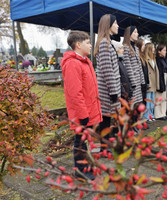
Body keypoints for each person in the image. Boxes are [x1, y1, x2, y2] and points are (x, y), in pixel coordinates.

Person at [61, 30, 103, 180]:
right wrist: (83, 115)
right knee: (80, 143)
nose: (91, 45)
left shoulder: (85, 61)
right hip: (82, 114)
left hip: (89, 111)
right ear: (78, 45)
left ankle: (86, 166)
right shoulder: (73, 64)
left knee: (85, 142)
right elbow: (75, 93)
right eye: (88, 42)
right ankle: (80, 172)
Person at [94, 14, 121, 136]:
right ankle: (104, 147)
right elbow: (107, 70)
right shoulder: (104, 43)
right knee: (105, 120)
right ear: (108, 25)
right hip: (107, 91)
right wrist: (114, 92)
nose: (118, 25)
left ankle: (108, 145)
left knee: (108, 119)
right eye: (115, 23)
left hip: (109, 89)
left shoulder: (107, 42)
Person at [123, 26, 145, 105]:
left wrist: (142, 81)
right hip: (133, 83)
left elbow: (139, 65)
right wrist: (133, 83)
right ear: (129, 34)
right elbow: (128, 67)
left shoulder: (136, 48)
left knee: (138, 105)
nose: (137, 34)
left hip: (138, 81)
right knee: (132, 105)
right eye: (135, 32)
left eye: (137, 32)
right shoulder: (125, 48)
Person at [143, 43, 159, 121]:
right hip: (150, 83)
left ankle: (151, 115)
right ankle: (147, 115)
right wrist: (148, 83)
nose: (154, 49)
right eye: (153, 48)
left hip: (154, 82)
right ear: (149, 49)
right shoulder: (146, 59)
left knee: (152, 100)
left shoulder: (153, 59)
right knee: (148, 100)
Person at [155, 44, 167, 120]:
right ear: (159, 51)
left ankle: (163, 113)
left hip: (165, 78)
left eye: (165, 50)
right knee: (159, 97)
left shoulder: (164, 59)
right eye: (164, 50)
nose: (165, 52)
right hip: (160, 79)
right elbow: (159, 73)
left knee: (164, 98)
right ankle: (158, 114)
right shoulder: (158, 60)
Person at [135, 38, 148, 105]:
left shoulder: (143, 57)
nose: (144, 47)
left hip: (144, 83)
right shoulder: (137, 57)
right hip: (140, 85)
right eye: (143, 45)